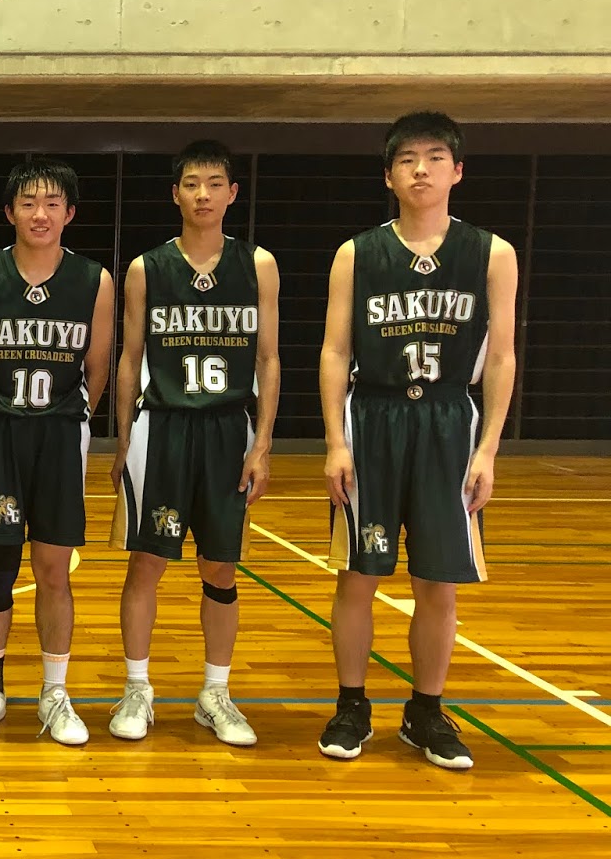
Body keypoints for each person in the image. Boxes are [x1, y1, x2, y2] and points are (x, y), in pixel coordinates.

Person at [319, 111, 517, 770]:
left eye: (434, 158)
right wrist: (335, 441)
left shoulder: (491, 253)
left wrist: (488, 449)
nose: (421, 170)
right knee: (358, 575)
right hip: (372, 418)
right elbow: (334, 350)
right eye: (407, 160)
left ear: (457, 170)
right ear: (389, 176)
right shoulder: (357, 253)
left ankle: (426, 711)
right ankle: (351, 705)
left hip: (448, 422)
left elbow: (501, 357)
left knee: (439, 582)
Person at [107, 140, 280, 747]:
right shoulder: (146, 268)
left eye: (214, 183)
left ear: (233, 193)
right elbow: (129, 359)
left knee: (220, 567)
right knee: (146, 562)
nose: (203, 194)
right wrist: (123, 439)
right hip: (163, 427)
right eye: (191, 184)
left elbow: (268, 358)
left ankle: (215, 693)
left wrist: (262, 445)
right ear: (174, 194)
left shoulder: (257, 264)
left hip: (229, 429)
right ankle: (137, 688)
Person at [0, 159, 114, 745]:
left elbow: (97, 369)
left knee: (52, 570)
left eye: (51, 204)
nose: (39, 214)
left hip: (60, 434)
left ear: (70, 213)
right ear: (9, 212)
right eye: (28, 203)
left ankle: (55, 692)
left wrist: (68, 419)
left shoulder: (94, 280)